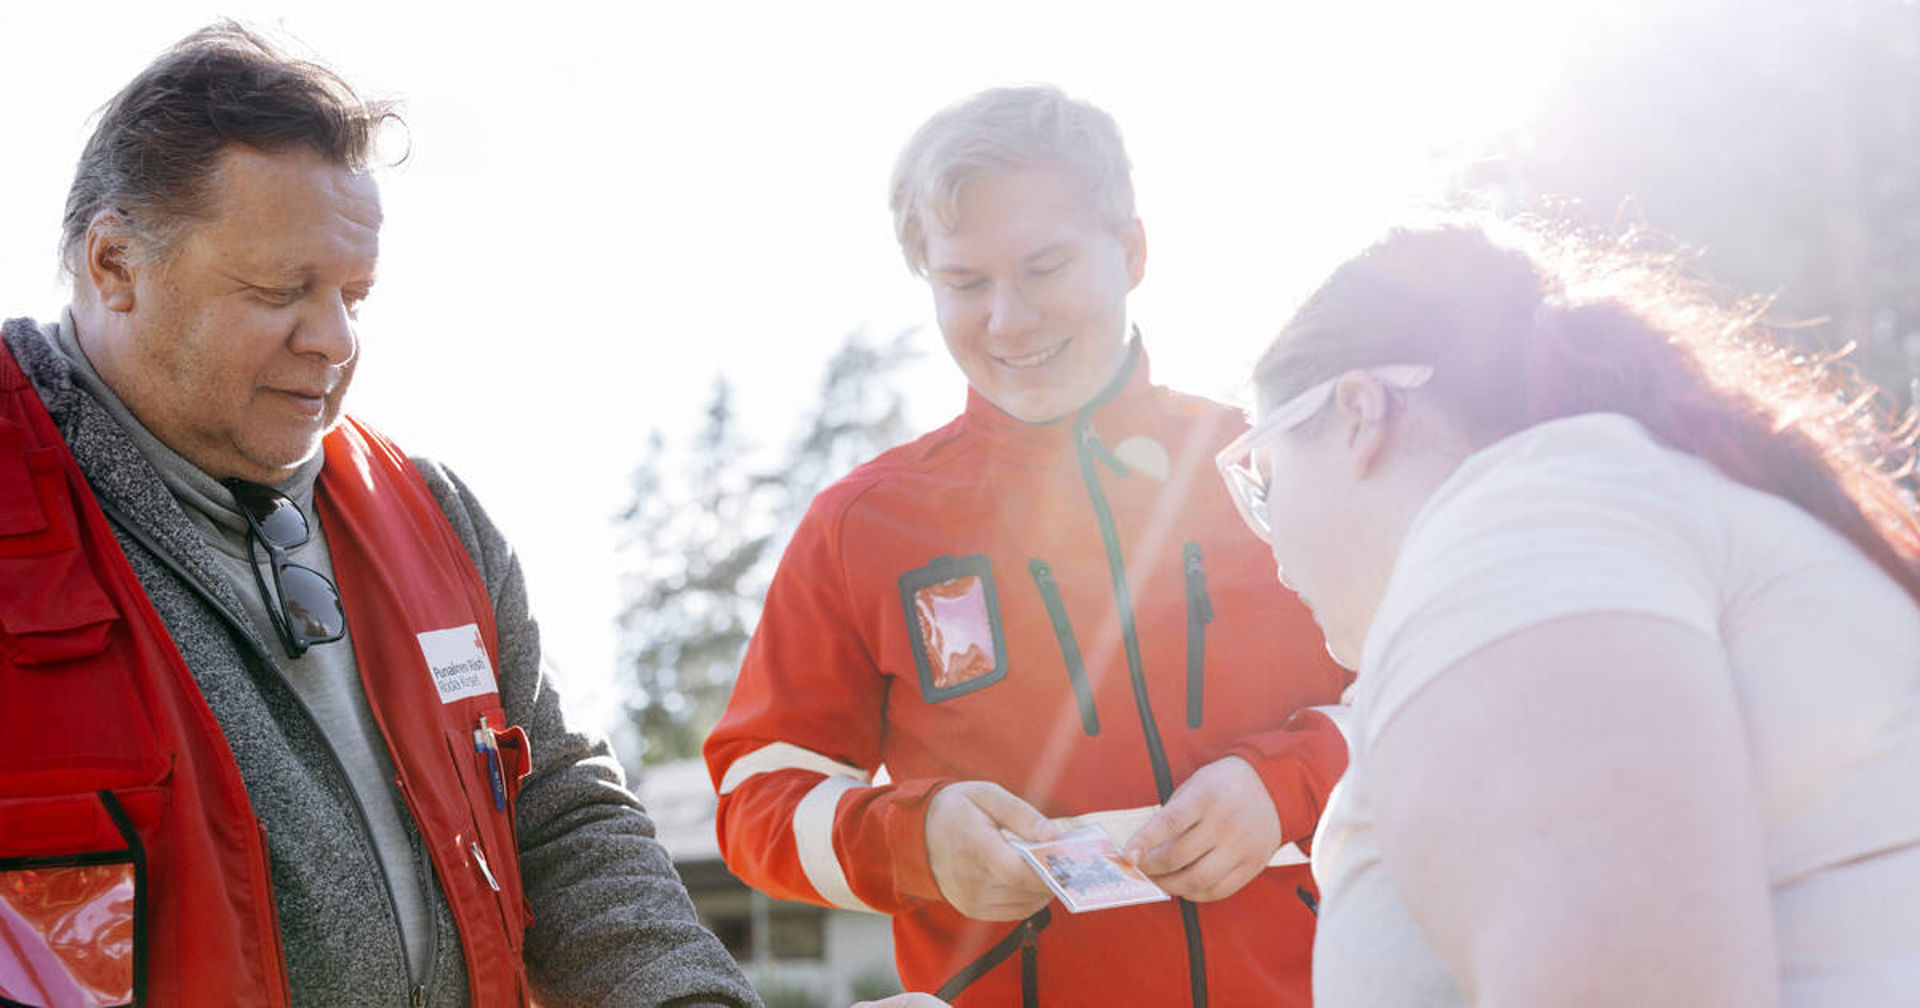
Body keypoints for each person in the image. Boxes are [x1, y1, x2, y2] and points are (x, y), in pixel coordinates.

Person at [0, 23, 758, 1008]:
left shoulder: (438, 521)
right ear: (114, 264)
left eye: (356, 294)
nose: (335, 340)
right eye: (282, 291)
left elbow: (560, 817)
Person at [704, 85, 1350, 1007]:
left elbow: (1431, 702)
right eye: (964, 283)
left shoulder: (1287, 464)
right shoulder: (860, 526)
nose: (1007, 320)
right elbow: (756, 797)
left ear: (1131, 251)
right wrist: (915, 841)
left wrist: (1290, 786)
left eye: (1044, 268)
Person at [1220, 218, 1920, 1005]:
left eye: (1265, 483)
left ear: (1358, 414)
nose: (1273, 552)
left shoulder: (1520, 538)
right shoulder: (1598, 522)